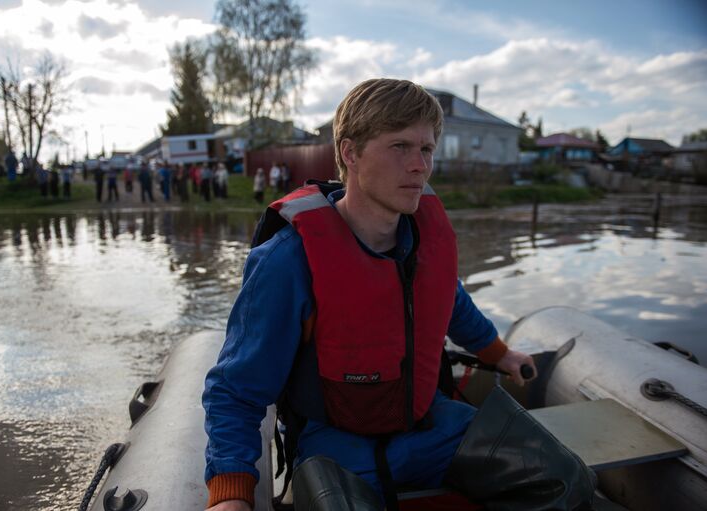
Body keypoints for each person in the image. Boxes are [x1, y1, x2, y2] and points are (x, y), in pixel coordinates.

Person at [203, 78, 588, 511]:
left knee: (567, 480)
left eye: (426, 150)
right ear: (350, 153)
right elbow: (236, 389)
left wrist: (501, 354)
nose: (419, 165)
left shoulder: (425, 243)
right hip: (335, 442)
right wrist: (230, 492)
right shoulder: (287, 261)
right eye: (400, 147)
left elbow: (452, 302)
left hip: (430, 426)